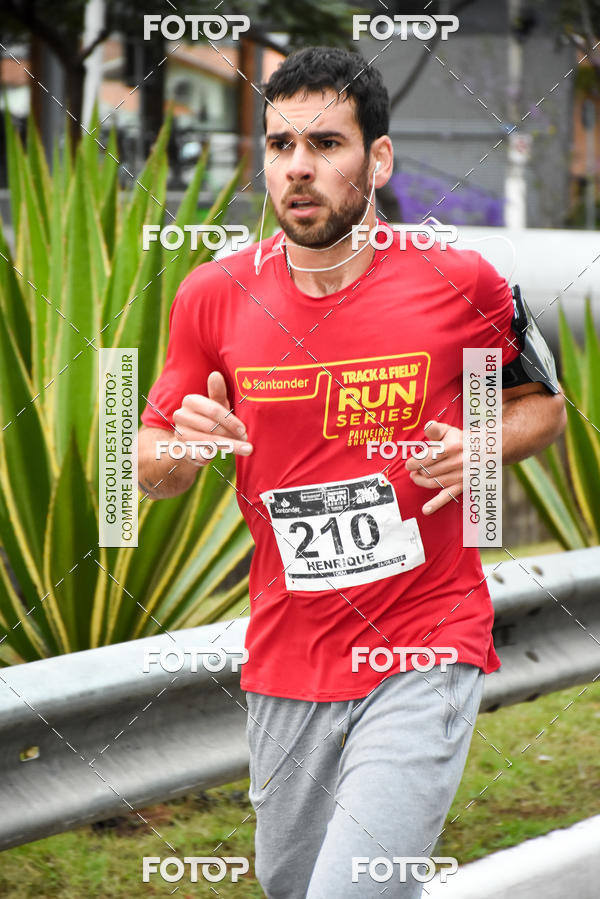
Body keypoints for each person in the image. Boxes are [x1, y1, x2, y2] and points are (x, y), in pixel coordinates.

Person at [138, 45, 566, 898]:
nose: (298, 169)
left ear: (377, 159)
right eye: (280, 146)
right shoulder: (212, 296)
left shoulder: (461, 281)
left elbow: (544, 406)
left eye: (326, 145)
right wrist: (178, 449)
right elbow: (146, 468)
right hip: (287, 657)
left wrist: (484, 444)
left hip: (426, 643)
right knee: (293, 884)